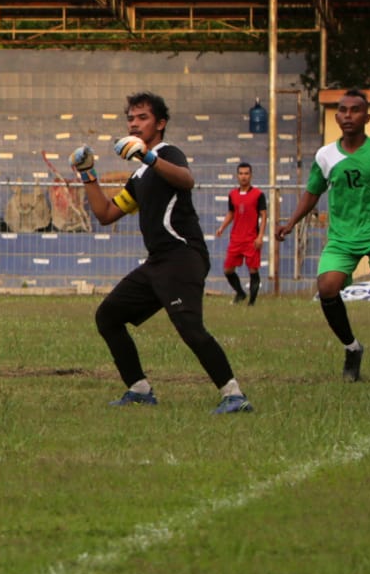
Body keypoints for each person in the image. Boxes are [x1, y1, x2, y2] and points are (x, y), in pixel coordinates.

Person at [71, 91, 253, 414]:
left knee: (188, 326)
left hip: (183, 256)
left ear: (161, 123)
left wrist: (149, 157)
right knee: (108, 316)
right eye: (130, 118)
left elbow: (186, 180)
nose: (134, 123)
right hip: (158, 262)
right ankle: (139, 389)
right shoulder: (139, 175)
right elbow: (106, 214)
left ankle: (234, 395)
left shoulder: (168, 154)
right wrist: (87, 174)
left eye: (143, 117)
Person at [275, 88, 370, 381]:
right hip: (342, 236)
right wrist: (291, 222)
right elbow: (312, 193)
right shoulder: (326, 155)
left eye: (355, 110)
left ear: (366, 117)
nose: (348, 115)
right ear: (337, 116)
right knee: (327, 288)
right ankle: (352, 348)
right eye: (343, 110)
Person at [214, 162, 267, 305]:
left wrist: (260, 236)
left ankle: (251, 303)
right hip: (236, 238)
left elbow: (263, 215)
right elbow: (231, 212)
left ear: (251, 175)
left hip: (251, 238)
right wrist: (222, 227)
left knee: (253, 270)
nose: (244, 177)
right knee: (228, 270)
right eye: (241, 173)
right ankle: (240, 293)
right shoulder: (232, 194)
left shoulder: (258, 194)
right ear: (237, 175)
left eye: (246, 173)